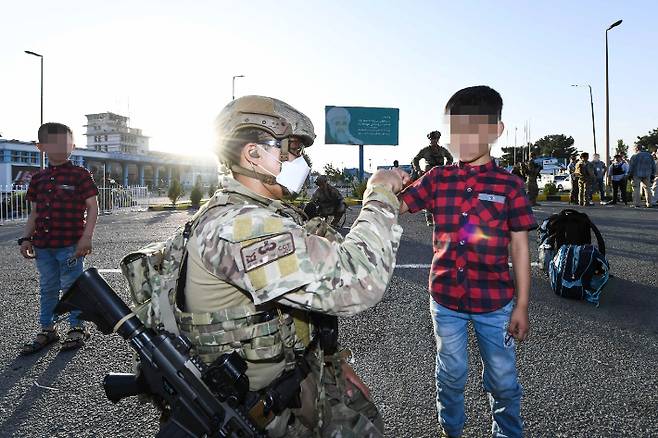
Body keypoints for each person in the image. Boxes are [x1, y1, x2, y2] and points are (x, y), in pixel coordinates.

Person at [180, 95, 409, 437]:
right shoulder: (238, 228)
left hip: (297, 384)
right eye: (292, 150)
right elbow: (356, 281)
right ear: (254, 153)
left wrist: (333, 365)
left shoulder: (265, 215)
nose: (299, 160)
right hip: (261, 416)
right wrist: (379, 195)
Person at [399, 86, 536, 438]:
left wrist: (521, 305)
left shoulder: (510, 186)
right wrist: (384, 186)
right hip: (445, 300)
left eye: (474, 128)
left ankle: (507, 432)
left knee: (503, 378)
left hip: (495, 303)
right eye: (455, 129)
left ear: (496, 131)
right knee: (451, 372)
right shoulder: (437, 178)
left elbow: (520, 248)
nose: (463, 138)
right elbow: (397, 204)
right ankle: (451, 430)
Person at [19, 122, 99, 354]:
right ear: (41, 147)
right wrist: (26, 238)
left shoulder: (80, 175)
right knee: (48, 287)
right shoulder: (38, 179)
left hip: (71, 245)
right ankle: (48, 329)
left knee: (73, 287)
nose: (63, 146)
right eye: (55, 142)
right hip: (43, 246)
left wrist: (87, 238)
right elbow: (34, 213)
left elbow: (93, 208)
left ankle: (77, 328)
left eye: (67, 141)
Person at [412, 131, 454, 226]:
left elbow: (450, 158)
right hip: (429, 175)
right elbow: (415, 159)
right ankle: (429, 218)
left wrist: (447, 167)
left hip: (440, 175)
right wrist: (418, 170)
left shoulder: (442, 150)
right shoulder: (425, 150)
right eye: (432, 139)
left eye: (435, 139)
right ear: (430, 140)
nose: (434, 141)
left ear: (438, 139)